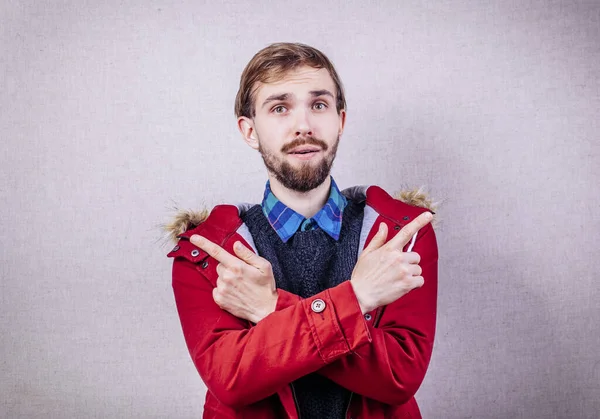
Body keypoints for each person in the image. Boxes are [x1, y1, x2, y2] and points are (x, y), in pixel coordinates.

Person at [166, 42, 438, 419]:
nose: (304, 125)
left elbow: (399, 377)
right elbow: (232, 381)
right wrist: (356, 298)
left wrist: (271, 309)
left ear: (340, 121)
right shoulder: (207, 251)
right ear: (249, 131)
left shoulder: (402, 235)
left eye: (319, 105)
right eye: (279, 108)